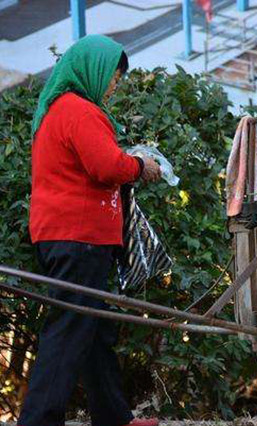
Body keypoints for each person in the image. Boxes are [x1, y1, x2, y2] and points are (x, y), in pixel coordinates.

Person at [18, 35, 162, 426]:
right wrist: (138, 166)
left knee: (94, 330)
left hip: (64, 235)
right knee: (69, 329)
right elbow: (106, 166)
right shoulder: (79, 111)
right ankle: (38, 421)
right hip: (78, 238)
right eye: (113, 77)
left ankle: (114, 417)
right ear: (93, 71)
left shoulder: (59, 110)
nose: (114, 85)